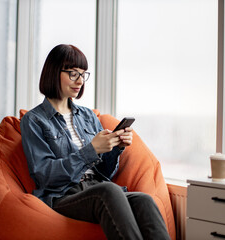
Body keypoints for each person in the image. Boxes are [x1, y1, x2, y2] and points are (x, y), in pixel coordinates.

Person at [20, 44, 170, 240]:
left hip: (96, 187)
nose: (80, 81)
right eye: (73, 74)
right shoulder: (34, 121)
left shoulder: (88, 116)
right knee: (108, 191)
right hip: (63, 195)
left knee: (144, 200)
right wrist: (91, 150)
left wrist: (115, 148)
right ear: (54, 72)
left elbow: (104, 173)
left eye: (83, 75)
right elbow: (44, 175)